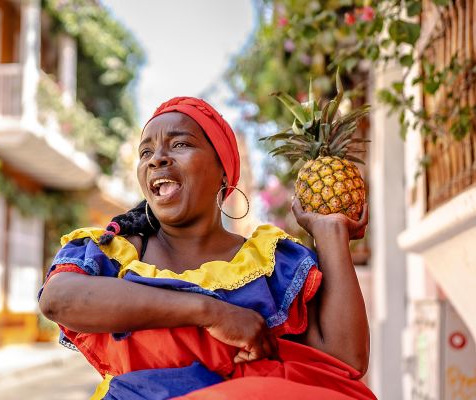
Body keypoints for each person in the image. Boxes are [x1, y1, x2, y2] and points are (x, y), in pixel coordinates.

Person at [38, 97, 376, 400]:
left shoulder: (272, 263)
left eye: (180, 144)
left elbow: (344, 363)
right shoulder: (115, 253)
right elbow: (58, 299)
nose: (157, 159)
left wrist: (331, 235)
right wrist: (212, 312)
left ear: (223, 174)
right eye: (146, 152)